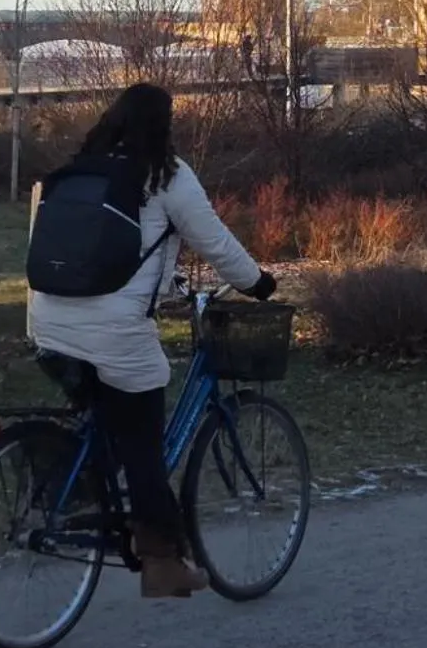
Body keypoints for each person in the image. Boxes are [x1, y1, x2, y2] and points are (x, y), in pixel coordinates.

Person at [27, 81, 276, 599]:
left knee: (107, 419)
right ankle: (162, 562)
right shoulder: (167, 177)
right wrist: (258, 283)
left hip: (47, 320)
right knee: (142, 438)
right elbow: (216, 243)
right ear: (163, 127)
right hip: (113, 331)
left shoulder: (73, 172)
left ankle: (67, 488)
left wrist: (167, 284)